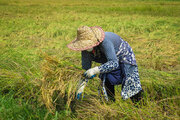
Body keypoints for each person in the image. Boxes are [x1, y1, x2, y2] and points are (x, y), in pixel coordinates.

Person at [67, 26, 144, 103]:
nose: (85, 47)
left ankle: (140, 105)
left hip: (123, 55)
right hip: (108, 59)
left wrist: (95, 70)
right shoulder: (85, 50)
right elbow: (85, 69)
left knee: (129, 81)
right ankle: (110, 104)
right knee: (106, 80)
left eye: (87, 44)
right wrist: (81, 85)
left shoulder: (105, 42)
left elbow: (114, 63)